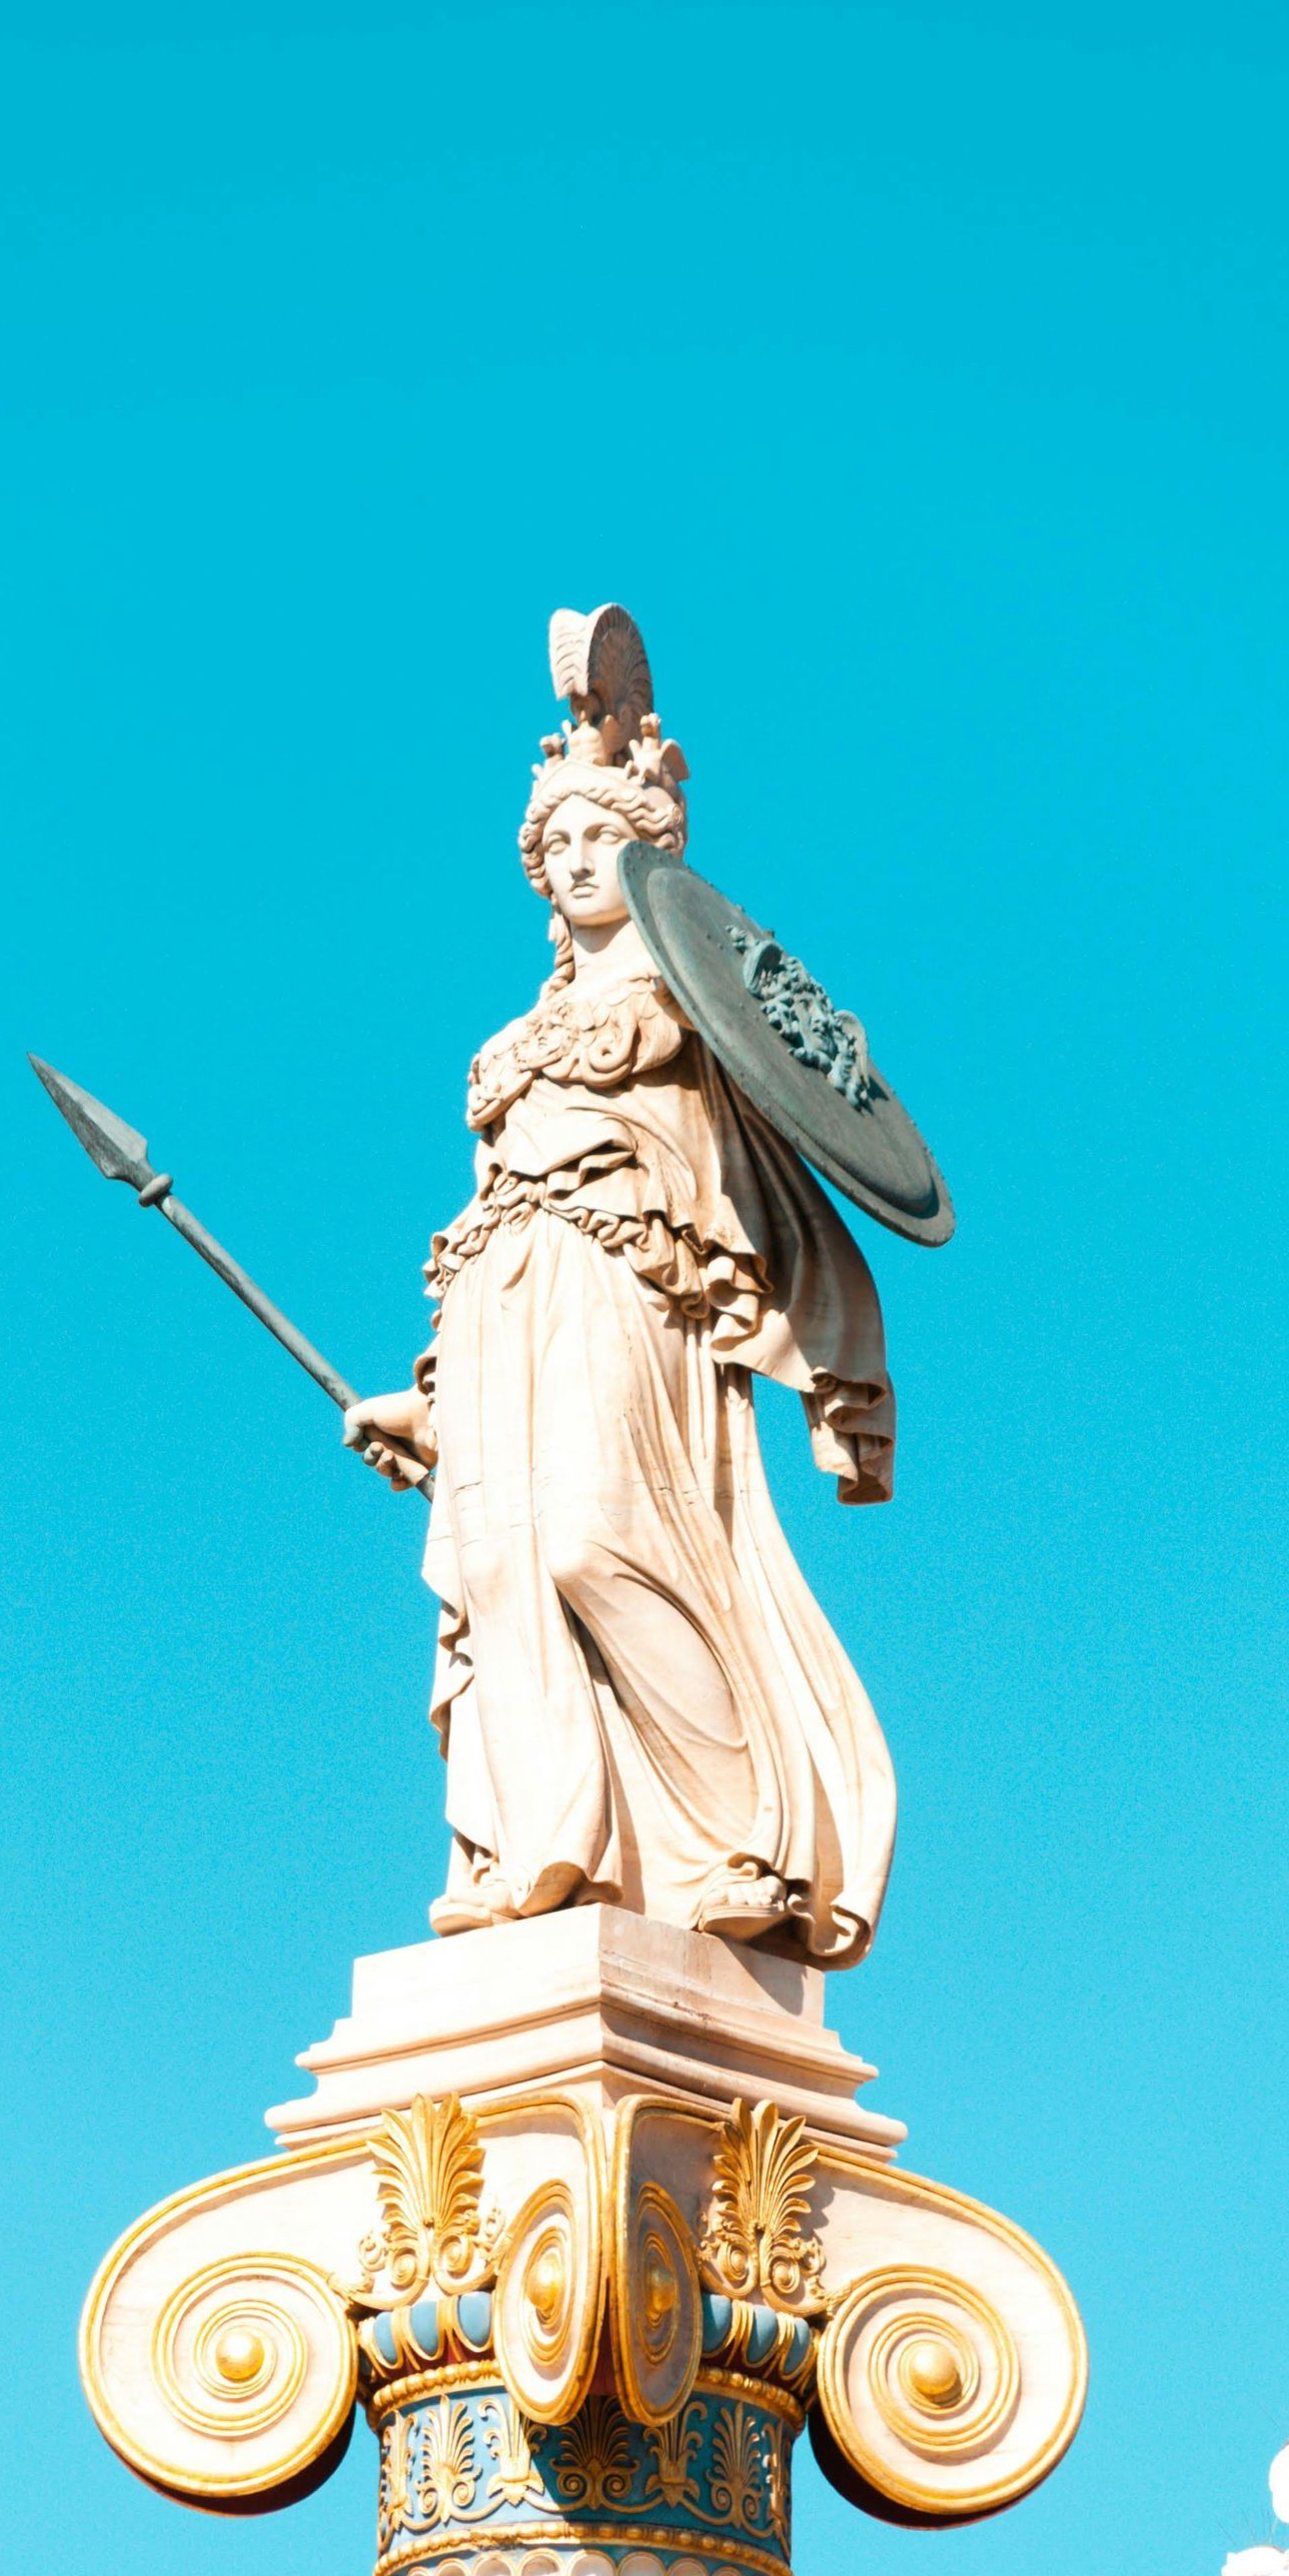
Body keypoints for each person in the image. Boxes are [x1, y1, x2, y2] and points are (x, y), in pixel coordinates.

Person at [346, 609, 897, 1967]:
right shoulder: (509, 1046)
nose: (578, 859)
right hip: (500, 1300)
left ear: (647, 853)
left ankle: (735, 1842)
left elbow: (792, 1135)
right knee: (506, 1563)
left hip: (627, 1277)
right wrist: (431, 1402)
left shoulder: (697, 1009)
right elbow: (484, 1214)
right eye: (560, 843)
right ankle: (546, 1844)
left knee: (599, 1539)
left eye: (604, 837)